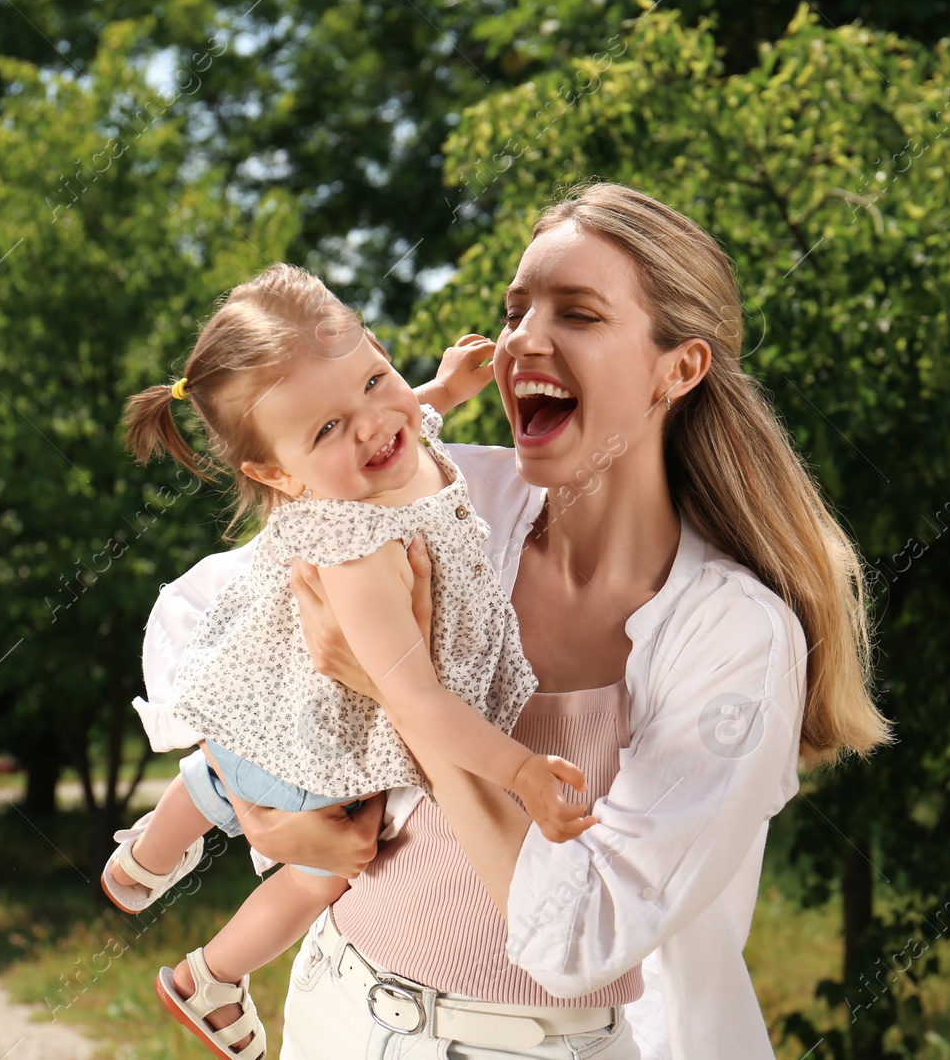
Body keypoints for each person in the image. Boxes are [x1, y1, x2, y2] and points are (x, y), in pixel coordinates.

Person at [140, 183, 892, 1059]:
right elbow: (201, 618)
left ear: (679, 369)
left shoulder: (736, 638)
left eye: (578, 313)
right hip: (337, 1009)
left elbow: (577, 943)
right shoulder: (448, 498)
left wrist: (401, 696)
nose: (524, 338)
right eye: (517, 307)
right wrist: (261, 804)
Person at [106, 263, 597, 1060]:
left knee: (231, 764)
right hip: (319, 735)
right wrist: (520, 772)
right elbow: (419, 699)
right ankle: (211, 976)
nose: (372, 425)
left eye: (375, 375)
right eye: (326, 430)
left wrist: (440, 385)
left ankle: (150, 853)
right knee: (324, 868)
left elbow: (410, 418)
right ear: (276, 475)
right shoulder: (359, 549)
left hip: (289, 700)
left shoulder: (394, 436)